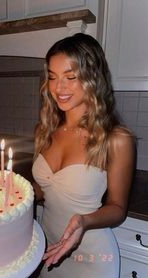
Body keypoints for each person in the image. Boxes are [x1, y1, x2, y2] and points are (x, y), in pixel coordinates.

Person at [32, 33, 135, 278]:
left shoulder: (116, 139)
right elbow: (44, 189)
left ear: (92, 79)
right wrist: (16, 192)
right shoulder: (46, 130)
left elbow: (118, 208)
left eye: (70, 77)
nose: (59, 88)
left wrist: (84, 221)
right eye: (53, 77)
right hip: (48, 249)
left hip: (90, 256)